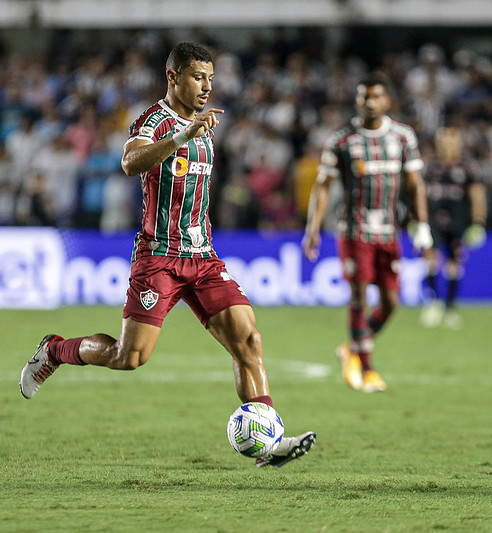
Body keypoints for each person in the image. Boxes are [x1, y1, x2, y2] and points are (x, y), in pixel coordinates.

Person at [19, 42, 315, 468]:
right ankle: (55, 350)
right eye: (198, 76)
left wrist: (193, 132)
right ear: (173, 77)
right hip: (159, 256)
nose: (207, 86)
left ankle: (268, 444)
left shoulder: (205, 125)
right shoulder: (155, 121)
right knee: (129, 357)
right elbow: (129, 162)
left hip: (203, 256)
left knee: (248, 341)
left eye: (211, 78)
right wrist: (181, 136)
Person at [302, 72, 433, 393]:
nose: (369, 102)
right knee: (359, 297)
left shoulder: (403, 137)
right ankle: (367, 366)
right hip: (354, 229)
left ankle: (352, 348)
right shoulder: (343, 139)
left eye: (375, 97)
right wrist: (313, 228)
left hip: (389, 231)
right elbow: (323, 185)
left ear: (387, 101)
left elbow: (415, 184)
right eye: (364, 97)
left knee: (391, 302)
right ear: (357, 101)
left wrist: (423, 227)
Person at [419, 126, 487, 329]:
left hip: (458, 221)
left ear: (459, 144)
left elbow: (477, 194)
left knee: (454, 262)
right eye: (444, 143)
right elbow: (420, 193)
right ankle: (432, 303)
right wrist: (417, 219)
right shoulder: (430, 167)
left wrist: (478, 222)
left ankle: (450, 308)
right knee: (430, 258)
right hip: (433, 220)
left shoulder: (467, 167)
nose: (448, 147)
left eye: (452, 143)